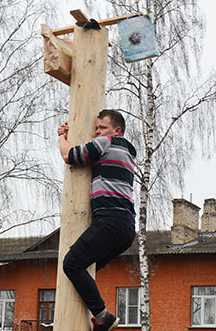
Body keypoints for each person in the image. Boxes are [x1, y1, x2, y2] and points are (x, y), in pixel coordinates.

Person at [57, 109, 137, 331]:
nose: (96, 133)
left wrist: (62, 136)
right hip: (126, 227)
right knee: (88, 269)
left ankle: (103, 317)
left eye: (101, 128)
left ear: (116, 130)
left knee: (72, 264)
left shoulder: (106, 144)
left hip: (111, 220)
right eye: (96, 128)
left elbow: (69, 156)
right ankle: (82, 317)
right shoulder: (126, 151)